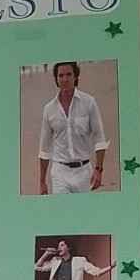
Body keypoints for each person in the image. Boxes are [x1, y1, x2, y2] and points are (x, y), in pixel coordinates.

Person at [38, 61, 109, 196]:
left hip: (84, 172)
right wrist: (42, 181)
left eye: (69, 74)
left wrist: (98, 169)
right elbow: (44, 148)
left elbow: (99, 138)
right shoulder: (49, 109)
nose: (65, 79)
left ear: (75, 76)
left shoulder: (89, 102)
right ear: (56, 79)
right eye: (61, 75)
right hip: (60, 172)